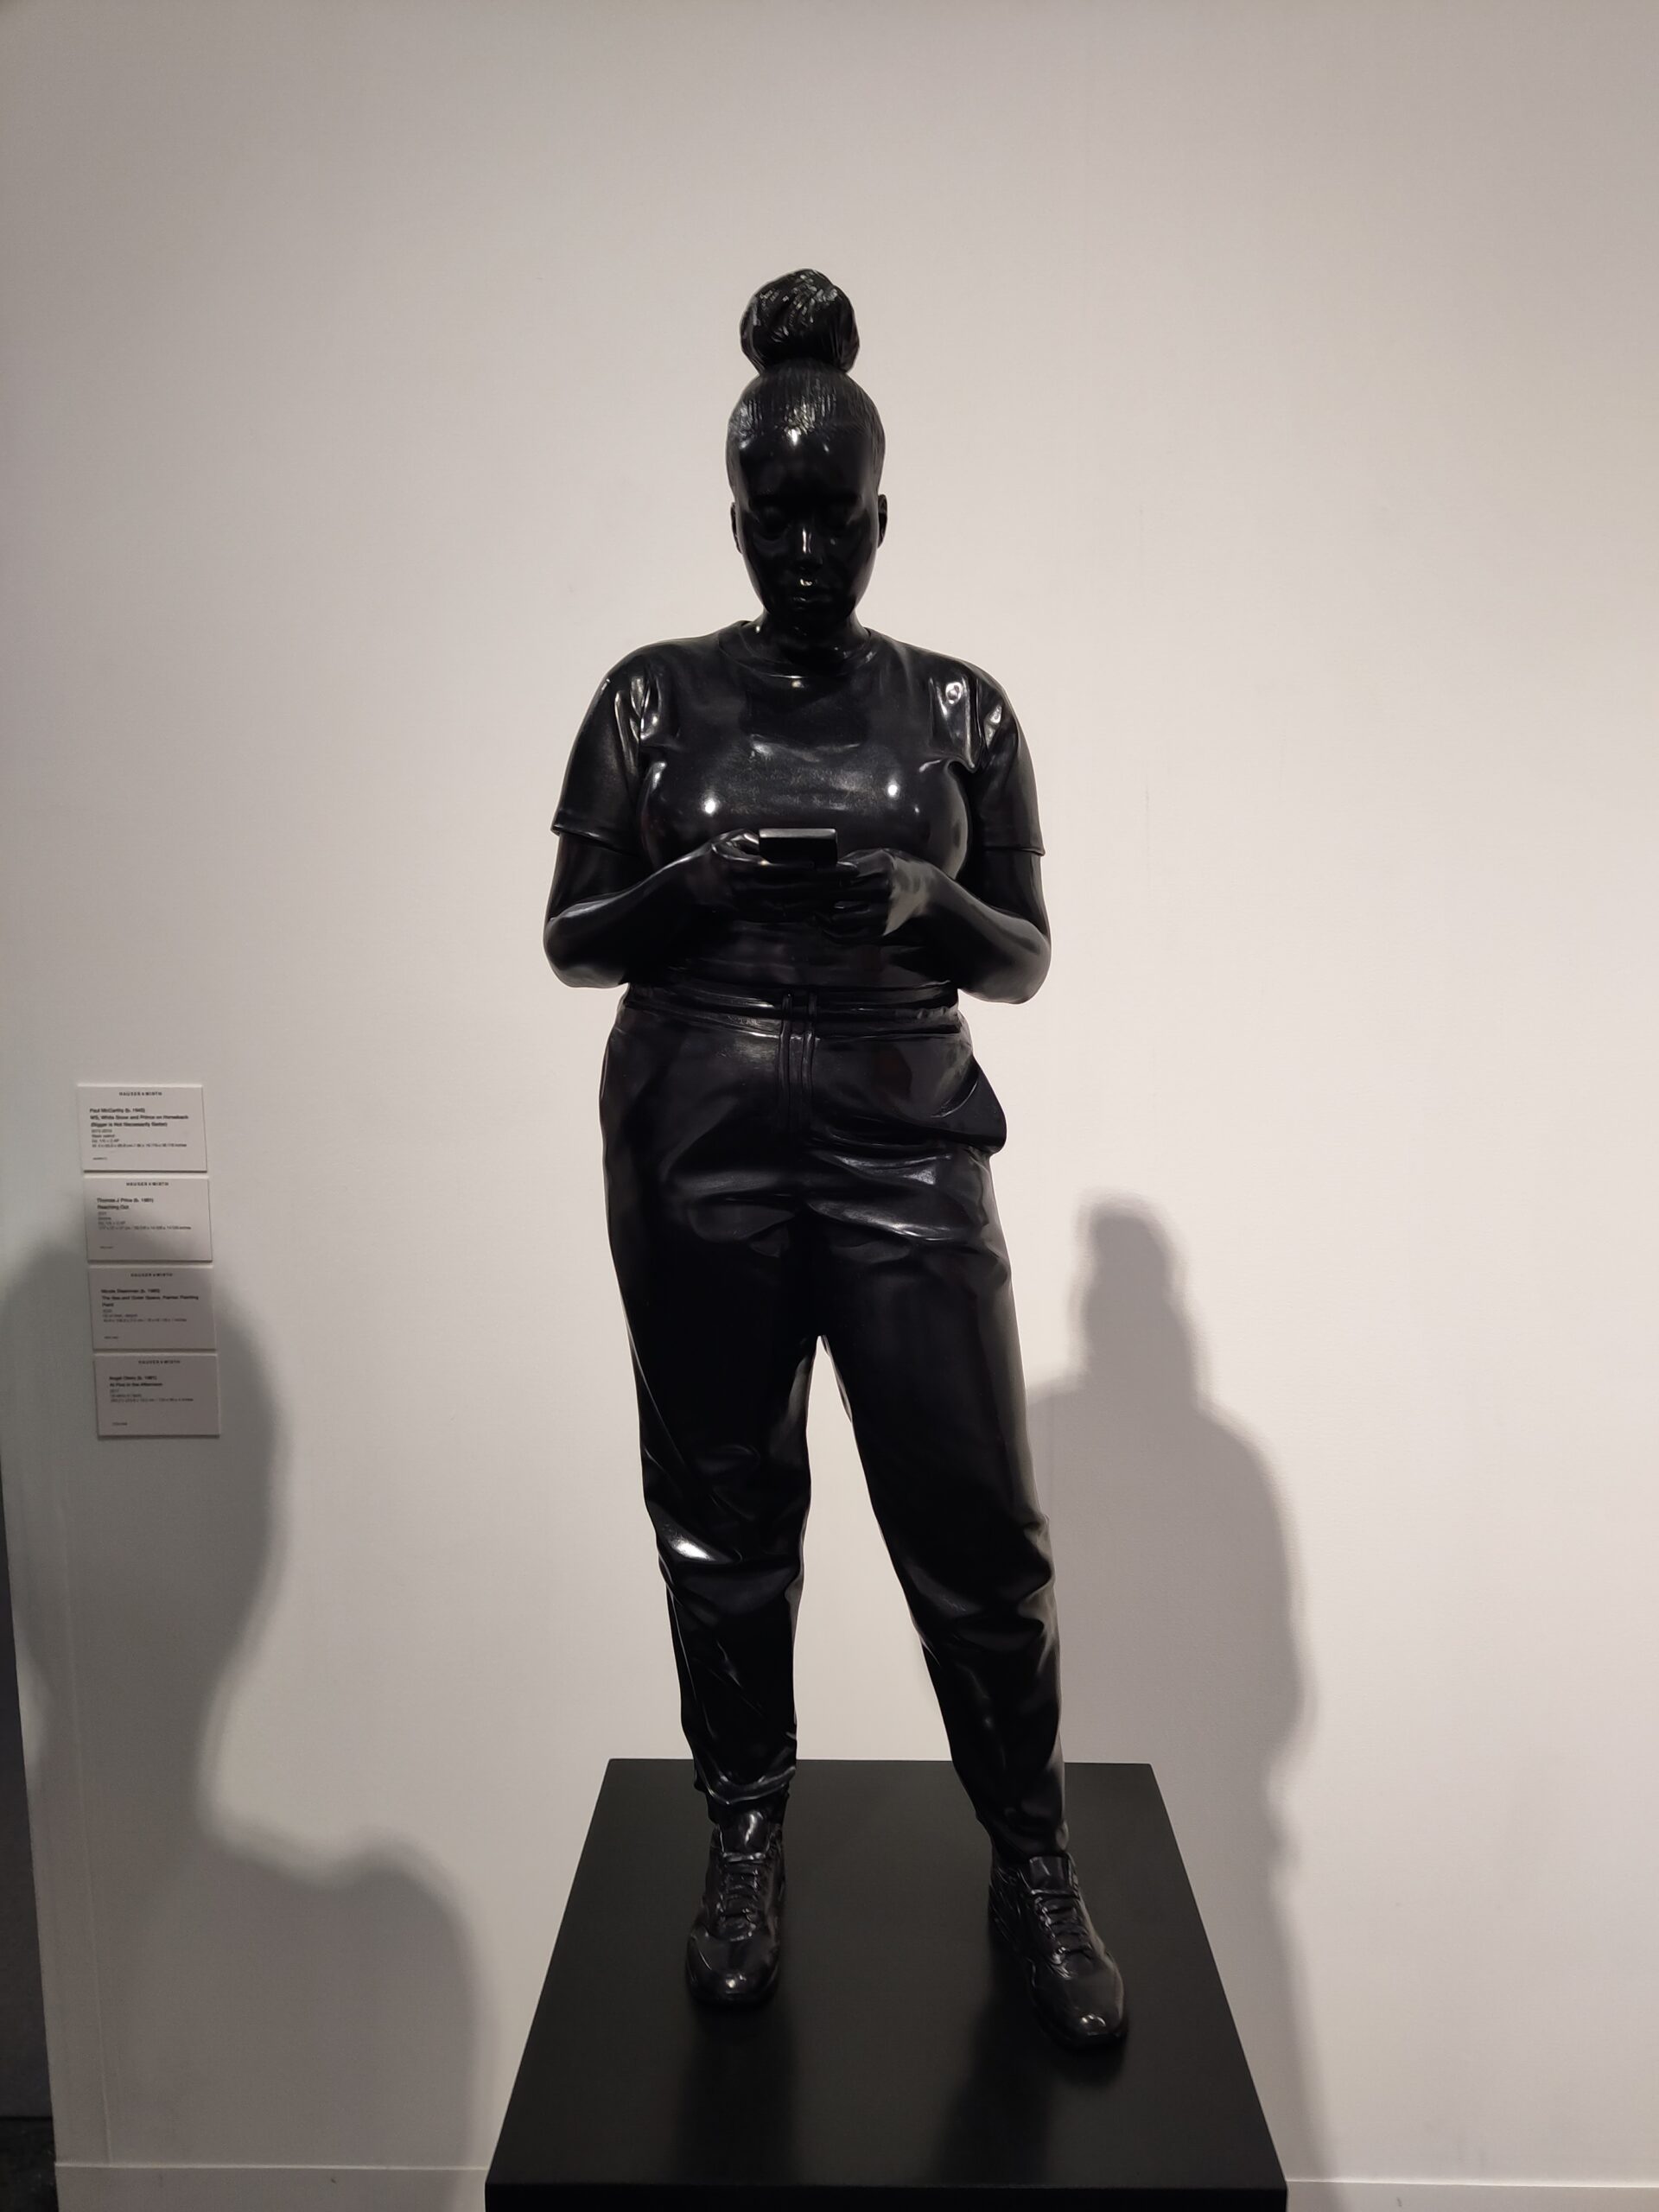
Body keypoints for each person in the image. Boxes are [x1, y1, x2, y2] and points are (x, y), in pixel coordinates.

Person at [543, 270, 1125, 2050]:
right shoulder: (650, 701)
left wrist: (926, 898)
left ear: (883, 516)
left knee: (974, 1520)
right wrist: (692, 888)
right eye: (775, 517)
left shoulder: (961, 710)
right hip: (697, 1134)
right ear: (736, 518)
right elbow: (571, 936)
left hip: (903, 1136)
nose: (806, 550)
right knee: (722, 1512)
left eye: (836, 517)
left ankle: (1034, 1861)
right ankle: (743, 1838)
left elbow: (1023, 958)